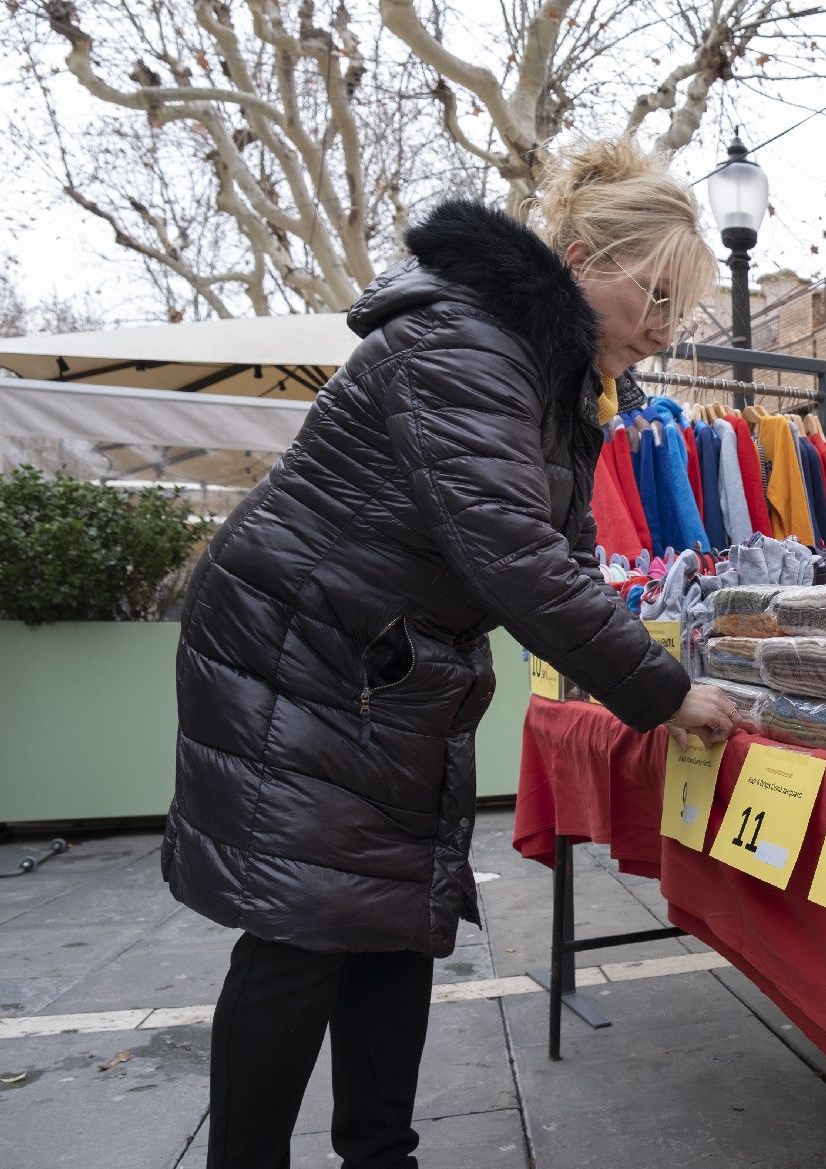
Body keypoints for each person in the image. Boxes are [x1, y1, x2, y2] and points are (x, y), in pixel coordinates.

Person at [163, 138, 738, 1169]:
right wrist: (663, 690)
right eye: (651, 295)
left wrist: (621, 651)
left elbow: (559, 556)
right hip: (302, 646)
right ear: (574, 260)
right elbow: (515, 557)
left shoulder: (550, 377)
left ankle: (381, 1154)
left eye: (675, 311)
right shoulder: (466, 344)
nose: (660, 329)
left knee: (390, 913)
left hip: (386, 662)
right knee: (304, 920)